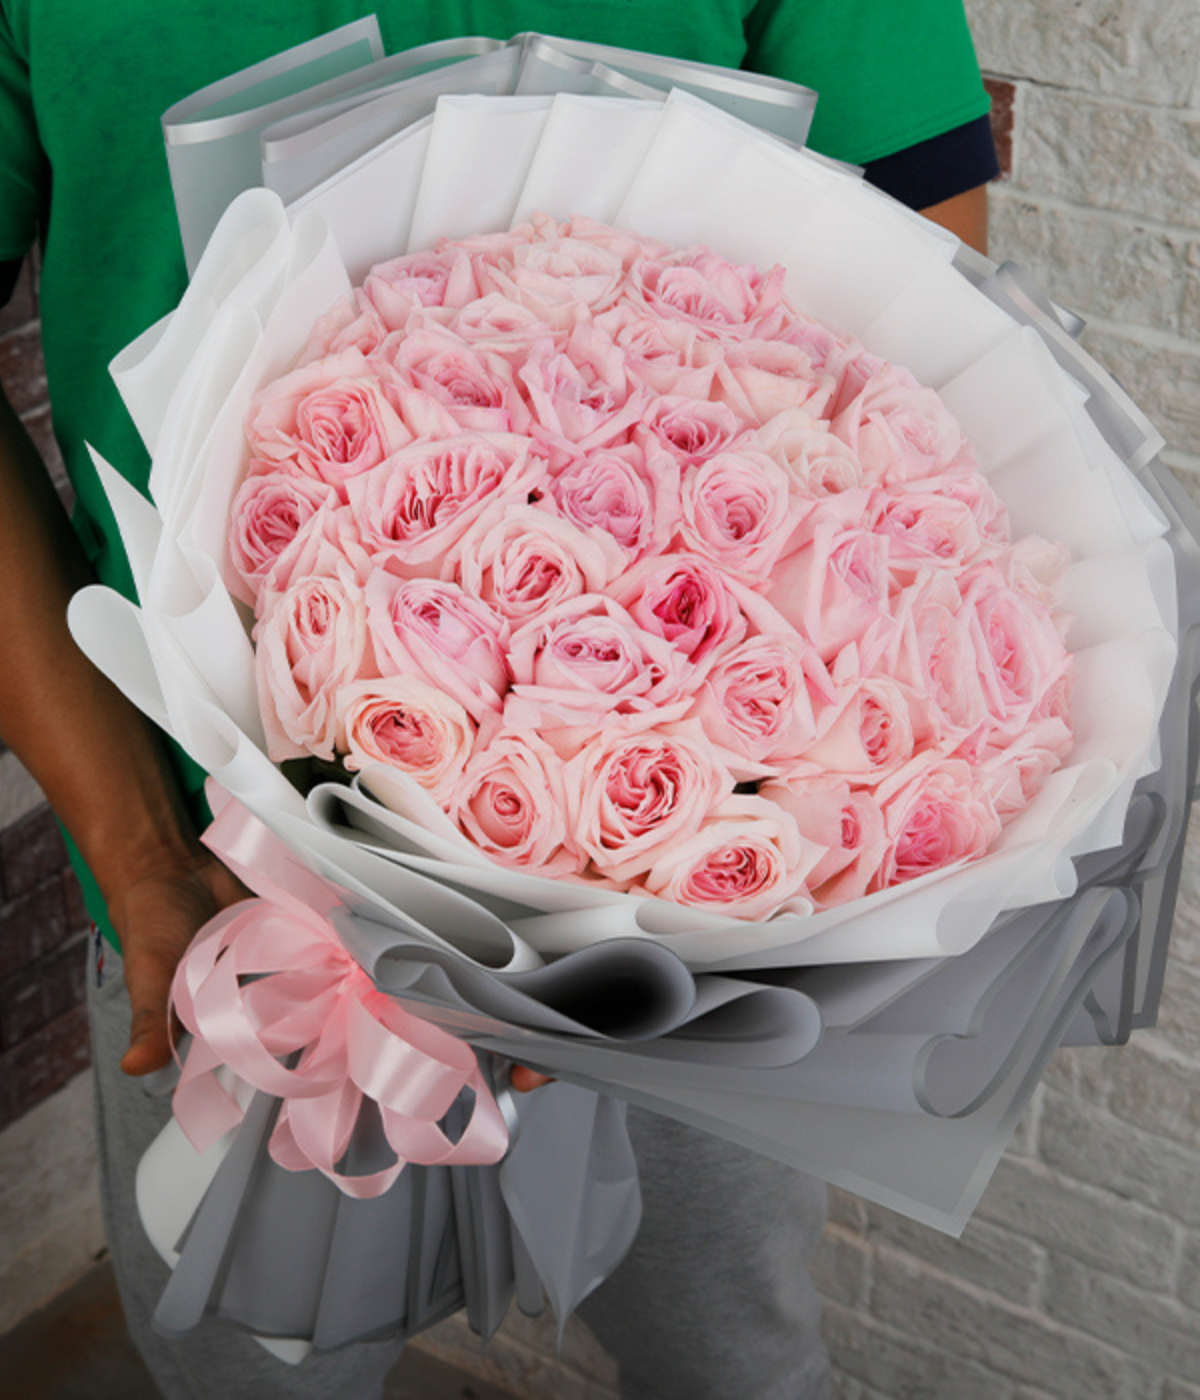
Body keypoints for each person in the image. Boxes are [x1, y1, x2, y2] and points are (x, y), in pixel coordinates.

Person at [0, 3, 998, 1397]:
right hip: (233, 902)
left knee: (731, 1356)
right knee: (249, 1365)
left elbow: (915, 333)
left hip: (695, 889)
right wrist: (142, 853)